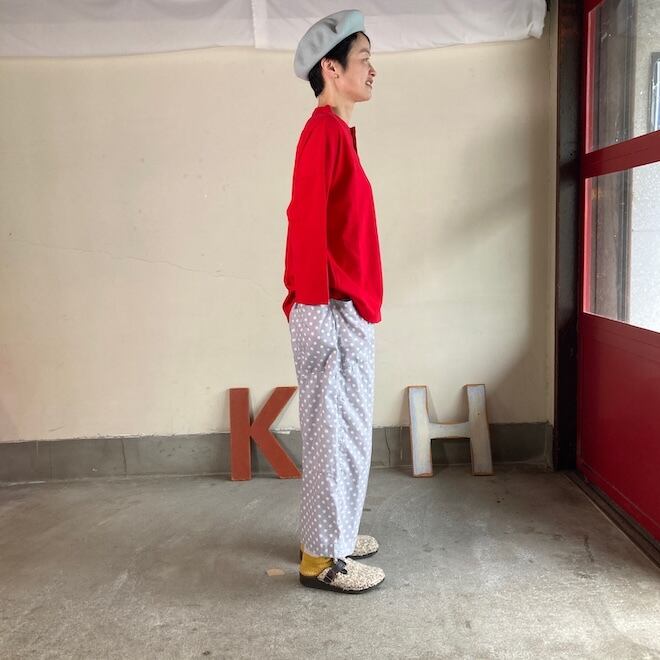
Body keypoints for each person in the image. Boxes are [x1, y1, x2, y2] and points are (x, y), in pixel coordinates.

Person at [282, 9, 385, 594]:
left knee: (346, 429)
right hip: (331, 307)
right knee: (333, 433)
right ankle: (322, 559)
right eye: (363, 59)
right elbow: (305, 226)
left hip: (347, 305)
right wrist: (314, 311)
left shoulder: (339, 133)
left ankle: (334, 533)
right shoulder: (323, 132)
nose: (373, 70)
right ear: (331, 68)